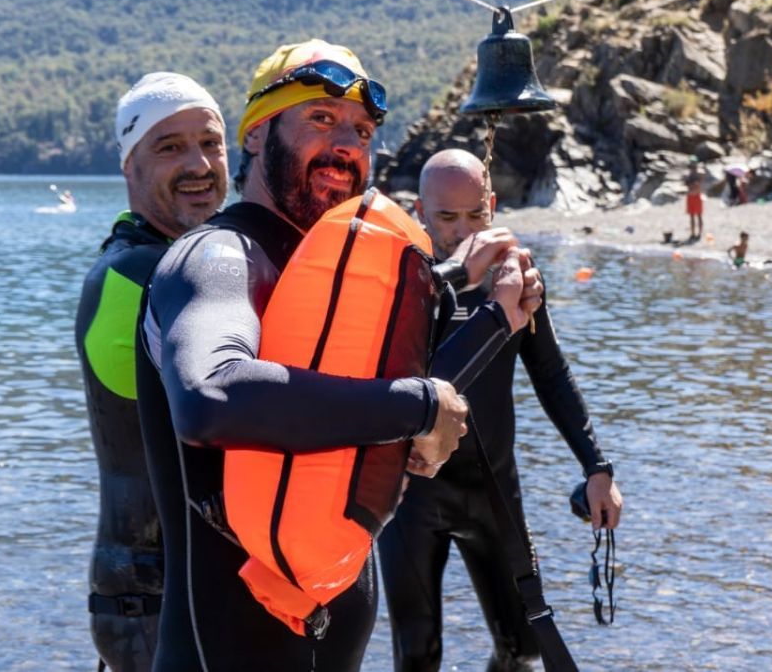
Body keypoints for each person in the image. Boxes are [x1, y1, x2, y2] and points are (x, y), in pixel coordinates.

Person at [134, 39, 544, 671]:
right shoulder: (218, 258)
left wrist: (496, 315)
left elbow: (380, 410)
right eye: (320, 119)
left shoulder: (329, 284)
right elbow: (209, 396)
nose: (347, 144)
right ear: (255, 134)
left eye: (362, 129)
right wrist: (418, 404)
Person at [378, 148, 623, 672]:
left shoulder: (518, 278)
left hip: (494, 490)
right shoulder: (405, 280)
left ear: (491, 206)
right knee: (418, 654)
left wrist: (597, 467)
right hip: (413, 496)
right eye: (446, 217)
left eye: (475, 216)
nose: (463, 231)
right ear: (420, 211)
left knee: (524, 647)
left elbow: (551, 373)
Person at [74, 72, 229, 671]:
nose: (197, 163)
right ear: (128, 166)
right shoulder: (136, 274)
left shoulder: (181, 261)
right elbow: (247, 394)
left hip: (173, 591)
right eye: (170, 147)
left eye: (210, 143)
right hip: (150, 601)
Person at [685, 162, 704, 241]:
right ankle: (693, 233)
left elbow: (697, 186)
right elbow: (688, 186)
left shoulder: (698, 176)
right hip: (691, 197)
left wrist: (692, 185)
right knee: (692, 216)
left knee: (699, 216)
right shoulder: (689, 176)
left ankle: (699, 233)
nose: (692, 169)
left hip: (696, 197)